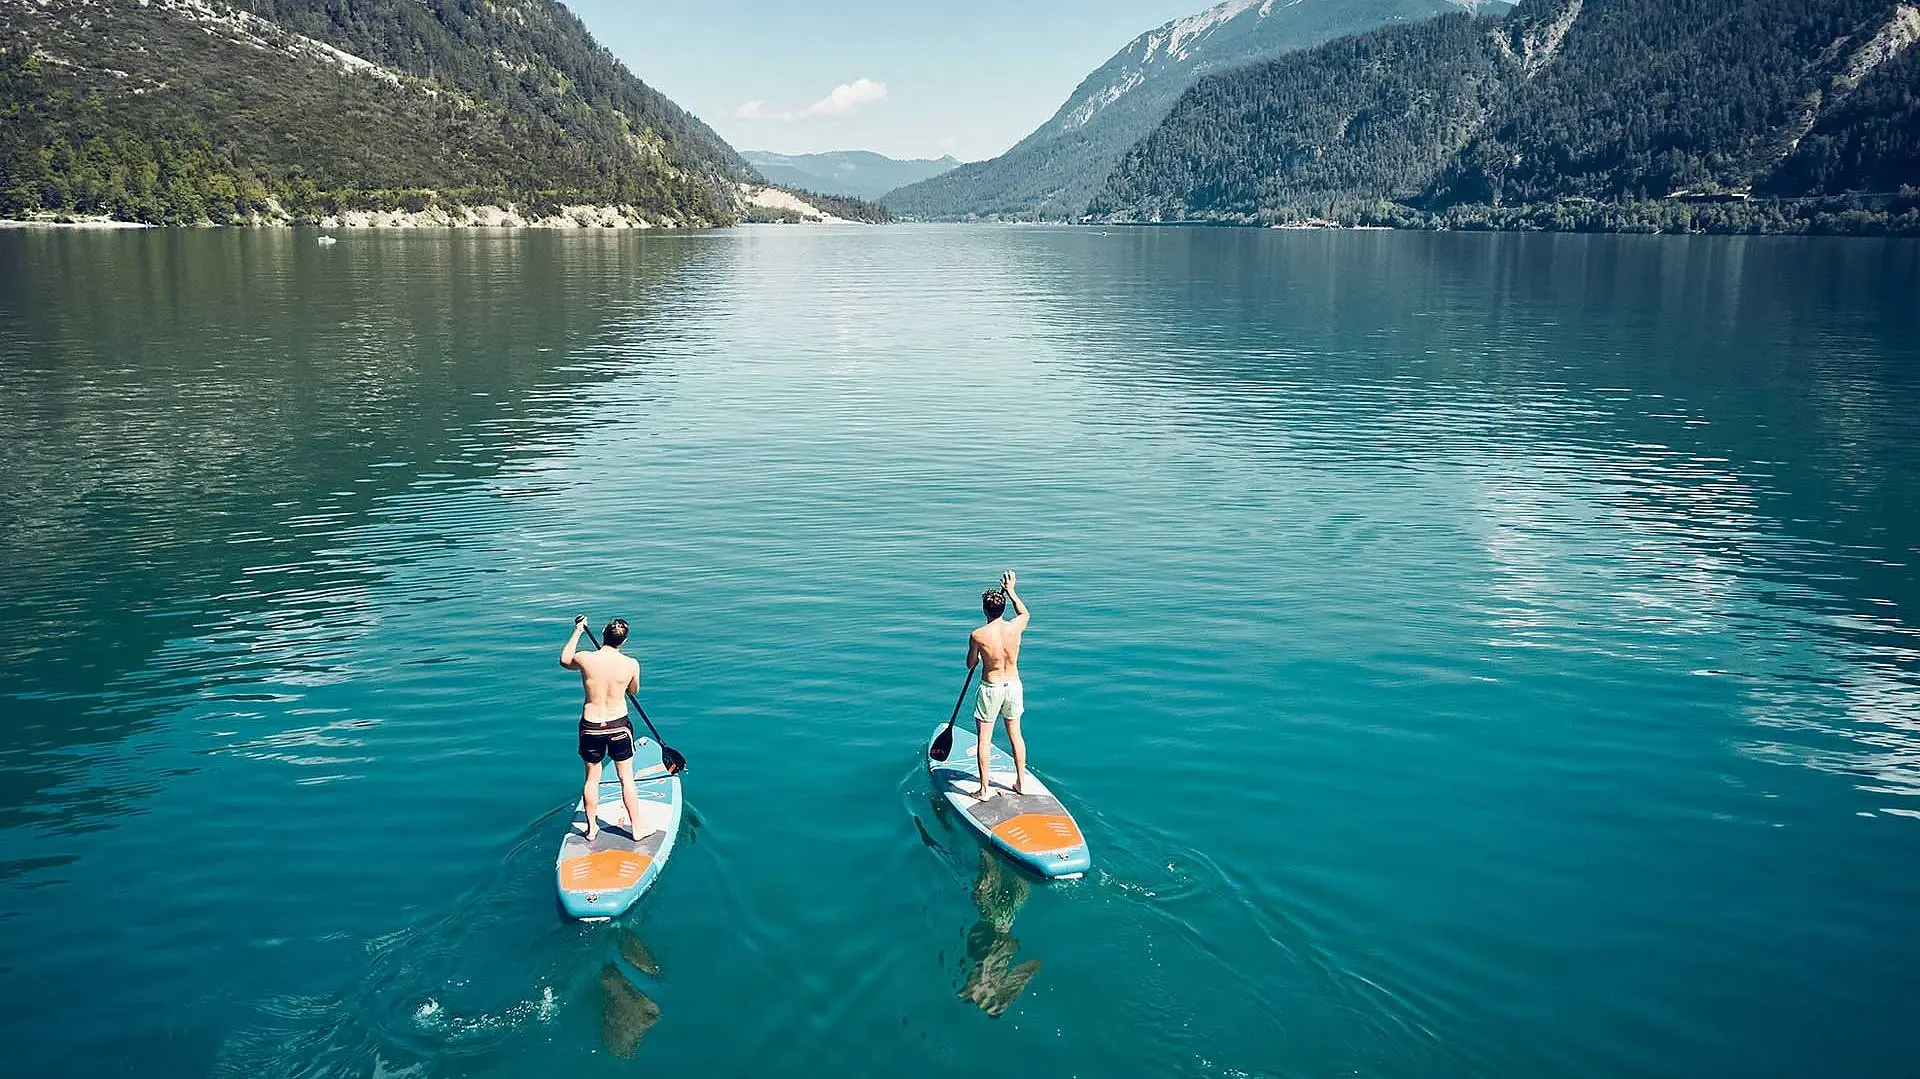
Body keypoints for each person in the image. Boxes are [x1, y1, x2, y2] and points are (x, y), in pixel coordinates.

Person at [561, 615, 643, 842]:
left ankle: (591, 828)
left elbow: (565, 660)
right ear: (624, 641)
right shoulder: (631, 664)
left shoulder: (586, 658)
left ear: (603, 635)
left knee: (591, 779)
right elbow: (633, 691)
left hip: (591, 726)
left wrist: (578, 630)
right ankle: (637, 829)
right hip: (619, 725)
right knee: (626, 779)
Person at [965, 570, 1031, 800]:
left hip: (991, 688)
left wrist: (981, 655)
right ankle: (1021, 783)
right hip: (1013, 686)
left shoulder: (978, 635)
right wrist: (1012, 591)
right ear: (1003, 609)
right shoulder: (1015, 627)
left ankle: (984, 790)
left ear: (985, 610)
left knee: (984, 739)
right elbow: (1024, 613)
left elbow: (970, 663)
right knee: (1016, 735)